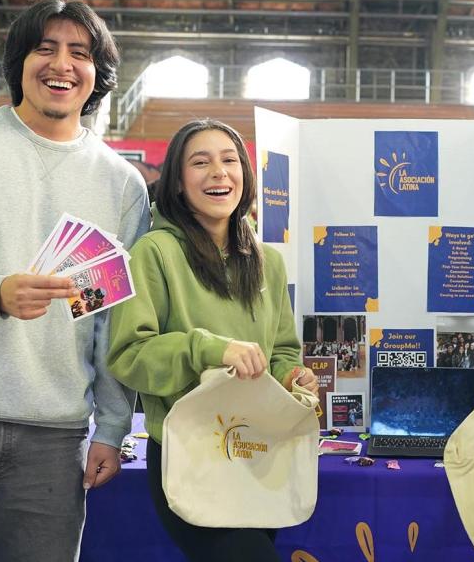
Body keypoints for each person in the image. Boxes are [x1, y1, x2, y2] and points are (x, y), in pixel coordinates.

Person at [0, 0, 149, 561]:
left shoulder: (122, 184)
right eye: (44, 48)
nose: (61, 64)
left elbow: (109, 319)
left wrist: (110, 426)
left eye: (79, 53)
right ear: (19, 63)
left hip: (53, 439)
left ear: (97, 74)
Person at [107, 119, 318, 562]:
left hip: (258, 452)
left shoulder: (268, 262)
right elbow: (129, 356)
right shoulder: (153, 252)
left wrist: (292, 374)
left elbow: (280, 351)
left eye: (229, 160)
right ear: (179, 184)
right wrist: (209, 349)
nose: (219, 172)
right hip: (190, 456)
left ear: (244, 172)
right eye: (200, 163)